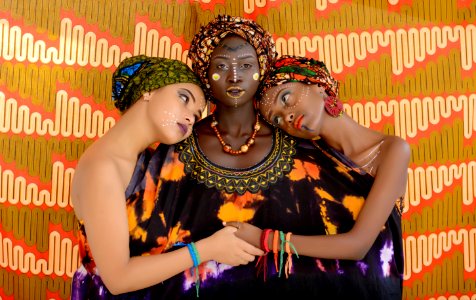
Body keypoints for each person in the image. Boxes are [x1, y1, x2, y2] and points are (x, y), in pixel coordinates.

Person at [70, 55, 264, 299]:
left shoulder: (151, 160)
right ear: (149, 90)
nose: (189, 118)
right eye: (184, 98)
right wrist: (208, 249)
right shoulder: (103, 166)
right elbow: (117, 278)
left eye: (195, 116)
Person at [231, 55, 410, 298]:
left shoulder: (393, 150)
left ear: (317, 83)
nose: (287, 117)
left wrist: (266, 239)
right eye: (277, 119)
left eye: (286, 98)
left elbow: (358, 246)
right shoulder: (308, 162)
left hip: (375, 290)